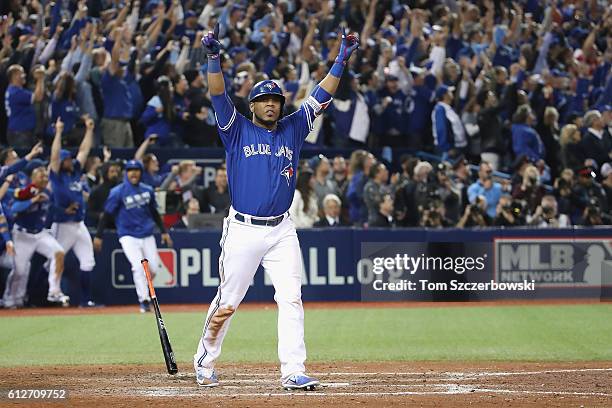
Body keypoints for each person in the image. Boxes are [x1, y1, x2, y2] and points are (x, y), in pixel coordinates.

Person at [193, 24, 358, 389]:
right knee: (229, 300)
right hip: (243, 228)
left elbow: (319, 96)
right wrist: (213, 58)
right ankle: (204, 359)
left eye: (276, 100)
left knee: (291, 297)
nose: (271, 104)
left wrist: (340, 61)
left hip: (282, 229)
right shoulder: (235, 128)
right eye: (264, 100)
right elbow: (217, 94)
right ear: (251, 105)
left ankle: (293, 370)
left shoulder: (293, 128)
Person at [93, 160, 173, 313]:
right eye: (130, 170)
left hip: (147, 234)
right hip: (128, 235)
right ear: (126, 173)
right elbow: (107, 215)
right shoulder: (117, 192)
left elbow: (154, 213)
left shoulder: (147, 190)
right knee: (138, 267)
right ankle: (144, 300)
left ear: (141, 172)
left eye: (137, 169)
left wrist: (164, 231)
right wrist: (98, 235)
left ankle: (145, 294)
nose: (133, 173)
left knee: (154, 269)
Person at [48, 117, 97, 307]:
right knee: (57, 255)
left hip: (79, 223)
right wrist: (58, 132)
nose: (69, 161)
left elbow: (84, 151)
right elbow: (53, 157)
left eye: (69, 158)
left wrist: (89, 130)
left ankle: (86, 300)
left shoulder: (75, 171)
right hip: (63, 223)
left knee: (88, 261)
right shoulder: (57, 175)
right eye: (65, 159)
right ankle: (53, 292)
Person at [2, 166, 66, 308]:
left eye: (45, 176)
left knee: (59, 253)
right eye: (40, 176)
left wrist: (65, 210)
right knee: (19, 270)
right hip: (22, 234)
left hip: (40, 233)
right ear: (32, 178)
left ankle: (54, 291)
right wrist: (33, 200)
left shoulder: (48, 192)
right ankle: (10, 298)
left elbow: (52, 208)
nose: (44, 178)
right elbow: (14, 209)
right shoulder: (25, 192)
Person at [4, 64, 46, 148]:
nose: (24, 75)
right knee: (25, 158)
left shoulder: (13, 89)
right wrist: (40, 78)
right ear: (14, 75)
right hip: (20, 133)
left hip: (18, 132)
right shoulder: (15, 92)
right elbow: (38, 96)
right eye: (21, 73)